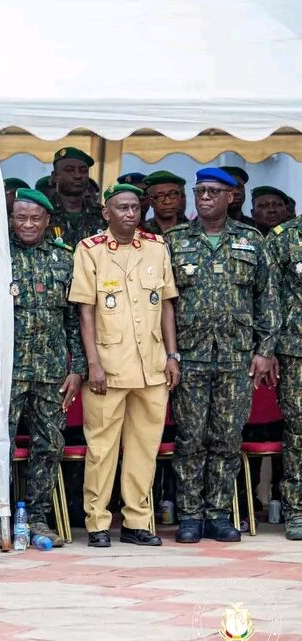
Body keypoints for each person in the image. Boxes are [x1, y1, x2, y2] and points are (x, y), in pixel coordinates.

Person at [164, 167, 276, 544]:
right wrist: (170, 354)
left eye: (213, 191)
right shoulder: (174, 240)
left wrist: (264, 351)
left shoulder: (251, 240)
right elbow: (162, 303)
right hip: (190, 356)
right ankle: (191, 516)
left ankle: (218, 514)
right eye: (200, 191)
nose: (205, 198)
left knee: (227, 439)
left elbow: (267, 298)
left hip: (236, 356)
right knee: (190, 439)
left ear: (231, 197)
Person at [69, 183, 179, 548]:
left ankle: (137, 520)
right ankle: (98, 522)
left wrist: (172, 356)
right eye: (122, 208)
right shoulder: (90, 251)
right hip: (109, 366)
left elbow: (166, 304)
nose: (130, 214)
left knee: (144, 447)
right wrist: (93, 364)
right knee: (101, 448)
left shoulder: (156, 247)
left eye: (135, 207)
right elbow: (86, 311)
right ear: (107, 212)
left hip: (151, 365)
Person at [0, 188, 83, 549]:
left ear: (47, 221)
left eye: (34, 218)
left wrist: (77, 368)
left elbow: (74, 319)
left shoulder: (63, 259)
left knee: (49, 446)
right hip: (5, 371)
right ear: (11, 219)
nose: (27, 224)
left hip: (50, 371)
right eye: (20, 217)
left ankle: (37, 517)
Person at [263, 215, 302, 540]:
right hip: (295, 349)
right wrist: (269, 348)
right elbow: (270, 297)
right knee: (299, 431)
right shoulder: (283, 238)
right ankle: (297, 511)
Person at [49, 147, 102, 247]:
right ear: (54, 176)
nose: (78, 175)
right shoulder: (42, 214)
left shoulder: (102, 216)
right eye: (69, 170)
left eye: (83, 171)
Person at [142, 171, 187, 235]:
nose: (167, 202)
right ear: (151, 201)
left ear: (180, 198)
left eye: (173, 194)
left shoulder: (192, 231)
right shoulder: (142, 231)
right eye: (160, 196)